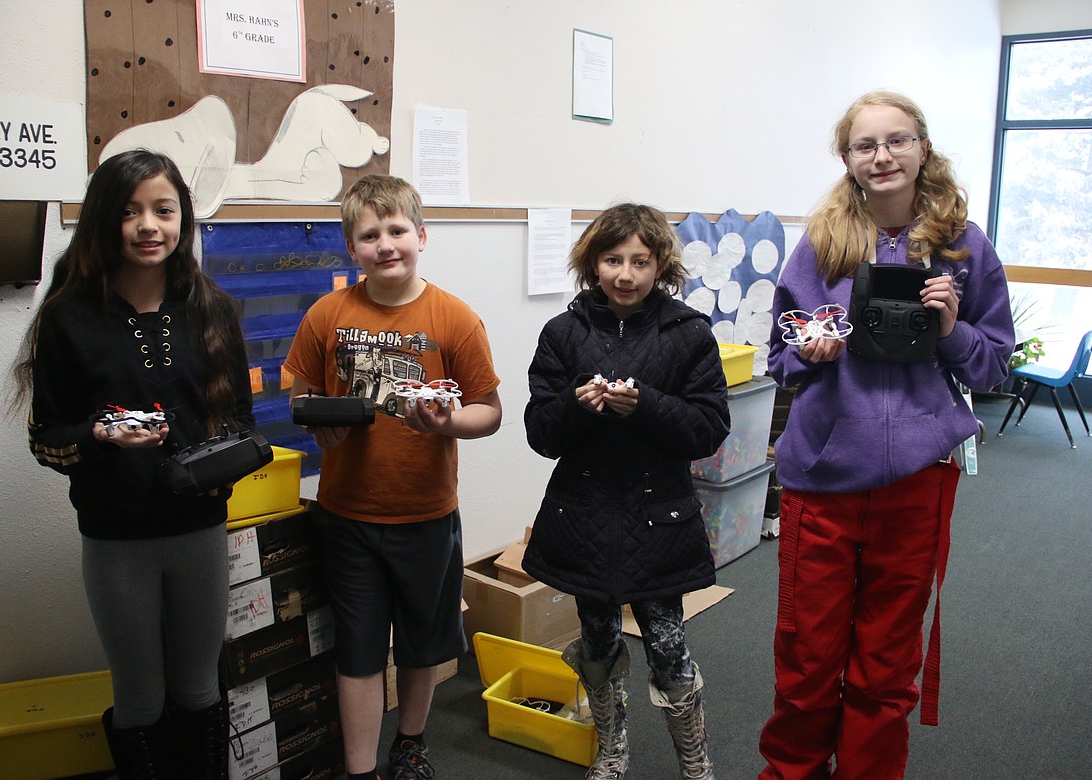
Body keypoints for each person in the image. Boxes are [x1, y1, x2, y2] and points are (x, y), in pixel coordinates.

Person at [758, 90, 1015, 779]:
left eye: (896, 140)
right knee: (808, 660)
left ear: (922, 147)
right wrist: (808, 350)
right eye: (865, 145)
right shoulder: (822, 244)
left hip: (917, 482)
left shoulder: (965, 246)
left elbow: (993, 367)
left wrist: (951, 329)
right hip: (825, 476)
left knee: (885, 666)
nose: (882, 156)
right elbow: (778, 358)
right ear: (847, 158)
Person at [12, 149, 254, 778]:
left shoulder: (214, 309)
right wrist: (100, 436)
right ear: (103, 222)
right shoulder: (69, 317)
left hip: (198, 529)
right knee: (141, 696)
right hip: (117, 536)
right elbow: (46, 440)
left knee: (200, 688)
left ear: (183, 219)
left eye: (163, 210)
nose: (149, 225)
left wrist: (205, 462)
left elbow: (242, 426)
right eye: (130, 211)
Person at [283, 174, 502, 780]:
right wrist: (315, 425)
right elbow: (300, 395)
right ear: (351, 247)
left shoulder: (455, 318)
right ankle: (360, 769)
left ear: (422, 236)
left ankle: (409, 744)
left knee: (421, 642)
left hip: (425, 513)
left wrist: (445, 424)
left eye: (397, 230)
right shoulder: (328, 313)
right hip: (346, 513)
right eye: (369, 234)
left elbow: (489, 412)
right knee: (356, 645)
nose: (386, 244)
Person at [522, 203, 731, 780]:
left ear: (660, 263)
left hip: (658, 517)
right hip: (582, 514)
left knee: (667, 647)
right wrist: (575, 406)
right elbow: (541, 433)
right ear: (591, 262)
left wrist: (646, 406)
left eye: (640, 261)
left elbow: (710, 429)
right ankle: (611, 748)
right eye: (613, 259)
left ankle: (695, 758)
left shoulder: (689, 332)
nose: (626, 274)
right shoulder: (562, 332)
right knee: (596, 641)